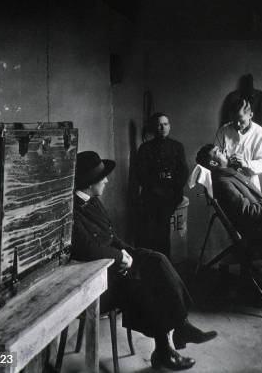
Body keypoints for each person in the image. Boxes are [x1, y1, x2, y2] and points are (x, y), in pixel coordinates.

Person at [71, 151, 216, 370]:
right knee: (149, 285)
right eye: (103, 178)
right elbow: (85, 248)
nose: (107, 181)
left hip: (114, 262)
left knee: (156, 259)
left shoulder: (92, 200)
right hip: (100, 275)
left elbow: (110, 235)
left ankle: (180, 327)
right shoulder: (72, 210)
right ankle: (166, 348)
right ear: (90, 184)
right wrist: (121, 257)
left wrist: (131, 252)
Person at [195, 144, 262, 257]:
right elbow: (247, 211)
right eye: (218, 151)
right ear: (213, 163)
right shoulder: (224, 182)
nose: (224, 150)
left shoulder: (230, 174)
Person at [136, 113, 189, 256]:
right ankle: (155, 262)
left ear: (169, 126)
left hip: (172, 193)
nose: (162, 127)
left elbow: (183, 172)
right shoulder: (145, 148)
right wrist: (155, 187)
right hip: (152, 193)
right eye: (159, 124)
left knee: (162, 227)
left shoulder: (177, 147)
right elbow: (141, 174)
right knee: (149, 229)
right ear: (154, 127)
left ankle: (164, 261)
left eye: (165, 124)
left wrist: (173, 188)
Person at [214, 98, 262, 191]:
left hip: (250, 184)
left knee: (250, 204)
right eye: (234, 120)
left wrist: (245, 163)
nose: (237, 124)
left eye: (241, 120)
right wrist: (226, 162)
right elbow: (215, 157)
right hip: (227, 183)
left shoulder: (260, 133)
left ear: (251, 115)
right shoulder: (223, 131)